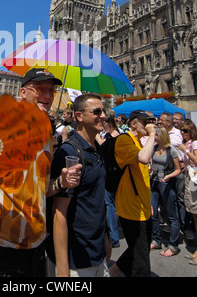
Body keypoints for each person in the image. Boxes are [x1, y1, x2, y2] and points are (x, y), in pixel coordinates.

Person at [0, 68, 82, 277]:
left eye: (51, 90)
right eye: (39, 88)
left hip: (36, 244)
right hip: (1, 246)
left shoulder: (46, 137)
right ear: (23, 92)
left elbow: (40, 190)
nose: (47, 95)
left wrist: (61, 183)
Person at [46, 93, 111, 277]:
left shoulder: (96, 148)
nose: (104, 116)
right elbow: (59, 213)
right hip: (76, 259)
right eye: (97, 111)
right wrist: (63, 269)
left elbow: (97, 198)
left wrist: (105, 237)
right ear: (79, 116)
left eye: (103, 111)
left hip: (96, 251)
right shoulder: (69, 152)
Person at [109, 110, 156, 277]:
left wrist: (148, 201)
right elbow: (143, 158)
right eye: (144, 121)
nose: (149, 124)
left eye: (150, 121)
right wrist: (152, 135)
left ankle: (113, 272)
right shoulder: (124, 140)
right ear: (133, 124)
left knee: (141, 248)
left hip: (143, 204)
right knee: (141, 261)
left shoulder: (139, 141)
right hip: (131, 206)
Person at [150, 127, 181, 256]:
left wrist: (168, 176)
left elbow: (178, 169)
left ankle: (173, 246)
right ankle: (156, 240)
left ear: (161, 136)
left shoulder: (171, 150)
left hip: (166, 183)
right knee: (152, 212)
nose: (153, 137)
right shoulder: (154, 148)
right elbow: (151, 164)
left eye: (155, 135)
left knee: (172, 215)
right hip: (155, 182)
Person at [158, 112, 189, 237]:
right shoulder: (160, 133)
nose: (160, 122)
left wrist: (183, 162)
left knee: (180, 199)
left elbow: (186, 147)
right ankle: (172, 224)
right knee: (168, 199)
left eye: (162, 120)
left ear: (168, 122)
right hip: (165, 170)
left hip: (179, 168)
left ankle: (185, 226)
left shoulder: (178, 133)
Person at [98, 114, 121, 248]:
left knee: (109, 205)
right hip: (109, 173)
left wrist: (95, 134)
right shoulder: (108, 135)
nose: (102, 125)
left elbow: (104, 147)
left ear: (109, 124)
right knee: (110, 204)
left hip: (112, 174)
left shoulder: (114, 136)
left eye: (104, 123)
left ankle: (113, 236)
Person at [177, 121, 197, 265]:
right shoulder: (190, 144)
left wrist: (185, 150)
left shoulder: (194, 144)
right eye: (181, 131)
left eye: (186, 131)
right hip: (189, 180)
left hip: (195, 180)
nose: (183, 133)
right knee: (194, 214)